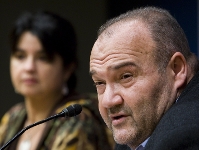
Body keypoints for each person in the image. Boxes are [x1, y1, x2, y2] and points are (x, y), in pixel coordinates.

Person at [0, 11, 114, 150]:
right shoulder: (13, 118)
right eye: (20, 56)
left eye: (43, 58)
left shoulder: (75, 119)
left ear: (67, 69)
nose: (29, 67)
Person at [89, 6, 199, 150]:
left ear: (176, 69)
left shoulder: (184, 134)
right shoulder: (138, 130)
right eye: (100, 83)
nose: (108, 101)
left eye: (126, 77)